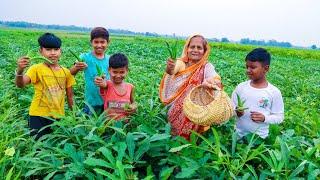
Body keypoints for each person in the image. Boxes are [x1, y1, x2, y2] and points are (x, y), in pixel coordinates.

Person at [159, 34, 222, 139]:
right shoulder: (181, 63)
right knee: (172, 136)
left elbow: (214, 77)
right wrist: (170, 67)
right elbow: (173, 70)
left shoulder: (207, 66)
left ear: (204, 51)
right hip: (176, 109)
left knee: (190, 139)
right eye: (192, 47)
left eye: (199, 48)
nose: (195, 50)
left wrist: (211, 82)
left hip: (195, 111)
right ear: (187, 48)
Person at [15, 32, 75, 140]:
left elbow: (70, 96)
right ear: (40, 51)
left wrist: (74, 114)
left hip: (58, 116)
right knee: (38, 149)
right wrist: (20, 70)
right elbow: (21, 84)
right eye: (48, 49)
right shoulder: (36, 68)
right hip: (38, 115)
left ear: (60, 51)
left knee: (55, 147)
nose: (53, 53)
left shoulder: (66, 72)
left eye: (56, 49)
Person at [231, 48, 284, 139]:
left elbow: (279, 117)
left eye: (253, 67)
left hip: (260, 140)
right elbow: (230, 109)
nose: (248, 70)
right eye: (247, 67)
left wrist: (265, 118)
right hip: (237, 137)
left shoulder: (274, 92)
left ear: (266, 68)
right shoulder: (241, 87)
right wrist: (237, 112)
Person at [70, 27, 110, 115]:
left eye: (102, 42)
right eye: (96, 42)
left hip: (107, 100)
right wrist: (77, 67)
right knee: (89, 123)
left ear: (108, 42)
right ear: (91, 42)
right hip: (91, 101)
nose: (99, 45)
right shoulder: (85, 57)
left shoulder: (110, 59)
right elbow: (71, 73)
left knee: (105, 125)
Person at [94, 53, 136, 120]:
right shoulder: (107, 85)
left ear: (127, 71)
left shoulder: (130, 87)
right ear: (109, 70)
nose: (118, 75)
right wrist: (100, 80)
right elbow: (103, 84)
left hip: (125, 125)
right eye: (115, 72)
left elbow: (133, 102)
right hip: (109, 126)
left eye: (122, 72)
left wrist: (133, 106)